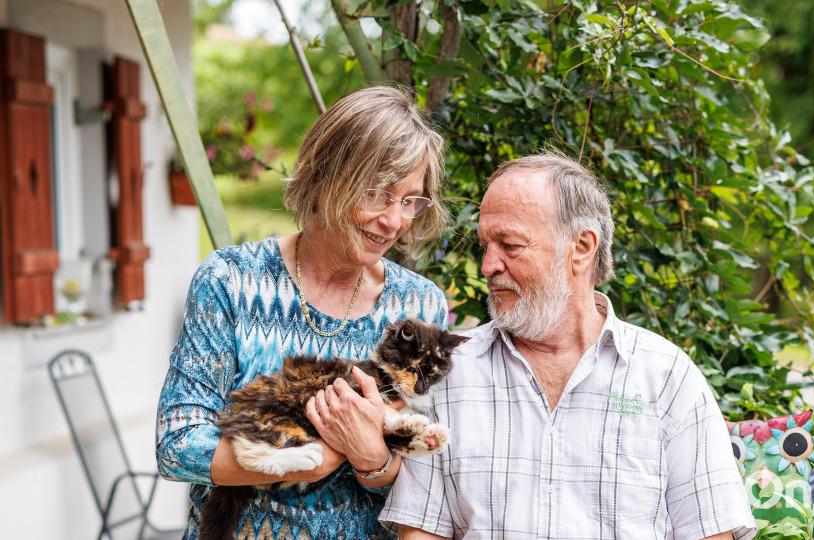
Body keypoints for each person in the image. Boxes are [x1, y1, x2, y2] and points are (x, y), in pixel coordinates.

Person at [380, 153, 757, 539]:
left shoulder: (665, 378)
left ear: (581, 247)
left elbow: (712, 533)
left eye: (510, 245)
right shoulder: (449, 373)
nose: (488, 265)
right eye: (485, 246)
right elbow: (421, 531)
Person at [156, 85, 450, 539]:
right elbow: (177, 446)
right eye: (377, 194)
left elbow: (430, 480)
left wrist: (371, 458)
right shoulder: (232, 281)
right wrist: (317, 456)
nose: (394, 221)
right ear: (327, 177)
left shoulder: (418, 305)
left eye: (409, 201)